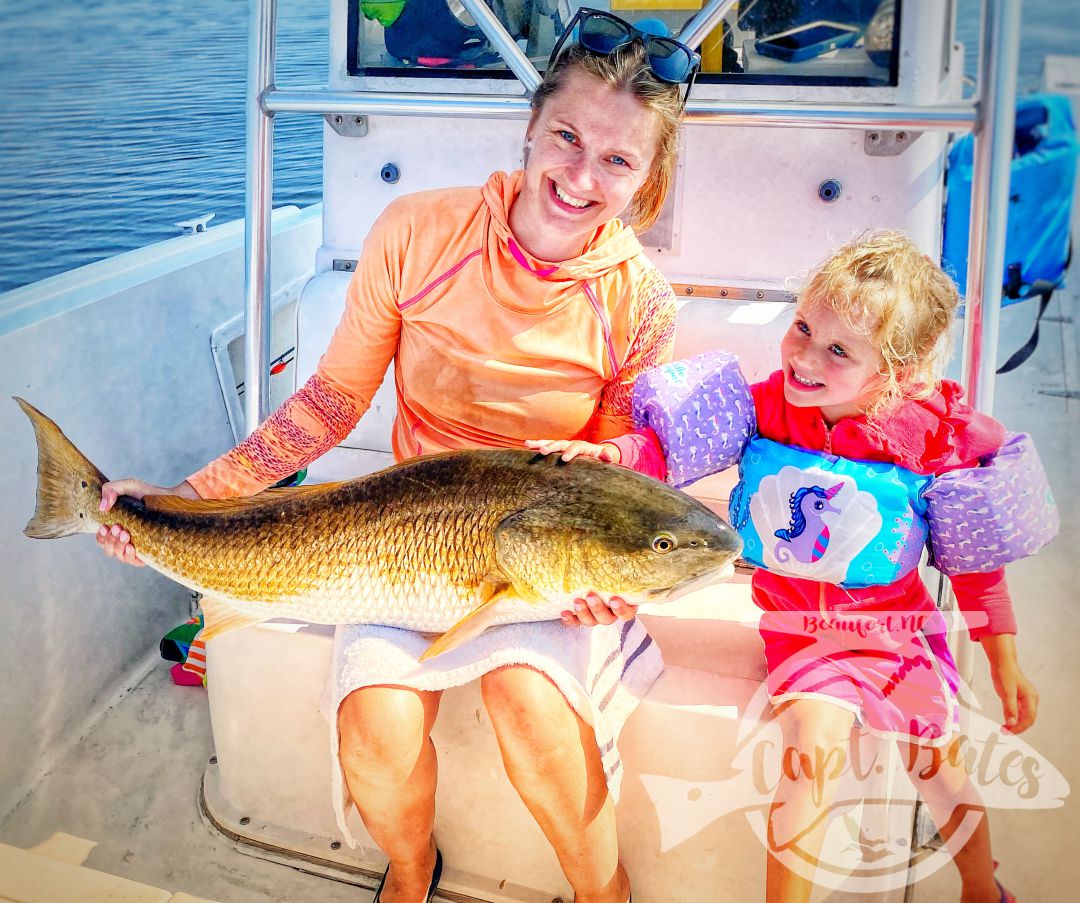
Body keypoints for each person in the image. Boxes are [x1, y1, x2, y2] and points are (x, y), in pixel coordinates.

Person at [95, 10, 699, 903]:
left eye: (617, 160)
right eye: (567, 137)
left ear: (647, 179)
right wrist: (188, 499)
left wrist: (614, 576)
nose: (580, 175)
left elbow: (617, 469)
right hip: (401, 538)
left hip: (542, 554)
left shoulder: (642, 302)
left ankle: (602, 889)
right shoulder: (419, 233)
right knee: (373, 732)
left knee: (531, 712)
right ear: (531, 128)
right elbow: (331, 404)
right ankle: (412, 867)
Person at [534, 232, 1043, 903]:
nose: (804, 354)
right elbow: (663, 449)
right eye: (803, 326)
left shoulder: (931, 433)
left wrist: (1003, 659)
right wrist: (616, 459)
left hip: (899, 633)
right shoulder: (764, 404)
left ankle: (983, 887)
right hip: (801, 630)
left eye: (838, 350)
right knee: (809, 756)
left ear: (898, 373)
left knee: (937, 767)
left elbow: (976, 560)